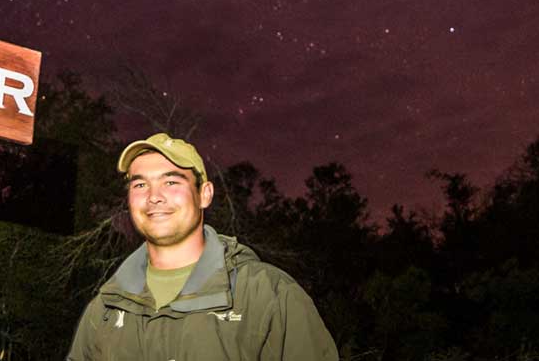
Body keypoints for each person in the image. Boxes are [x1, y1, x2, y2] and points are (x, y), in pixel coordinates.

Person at [67, 132, 338, 361]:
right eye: (140, 184)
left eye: (171, 182)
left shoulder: (268, 295)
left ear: (204, 194)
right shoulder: (106, 307)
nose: (154, 197)